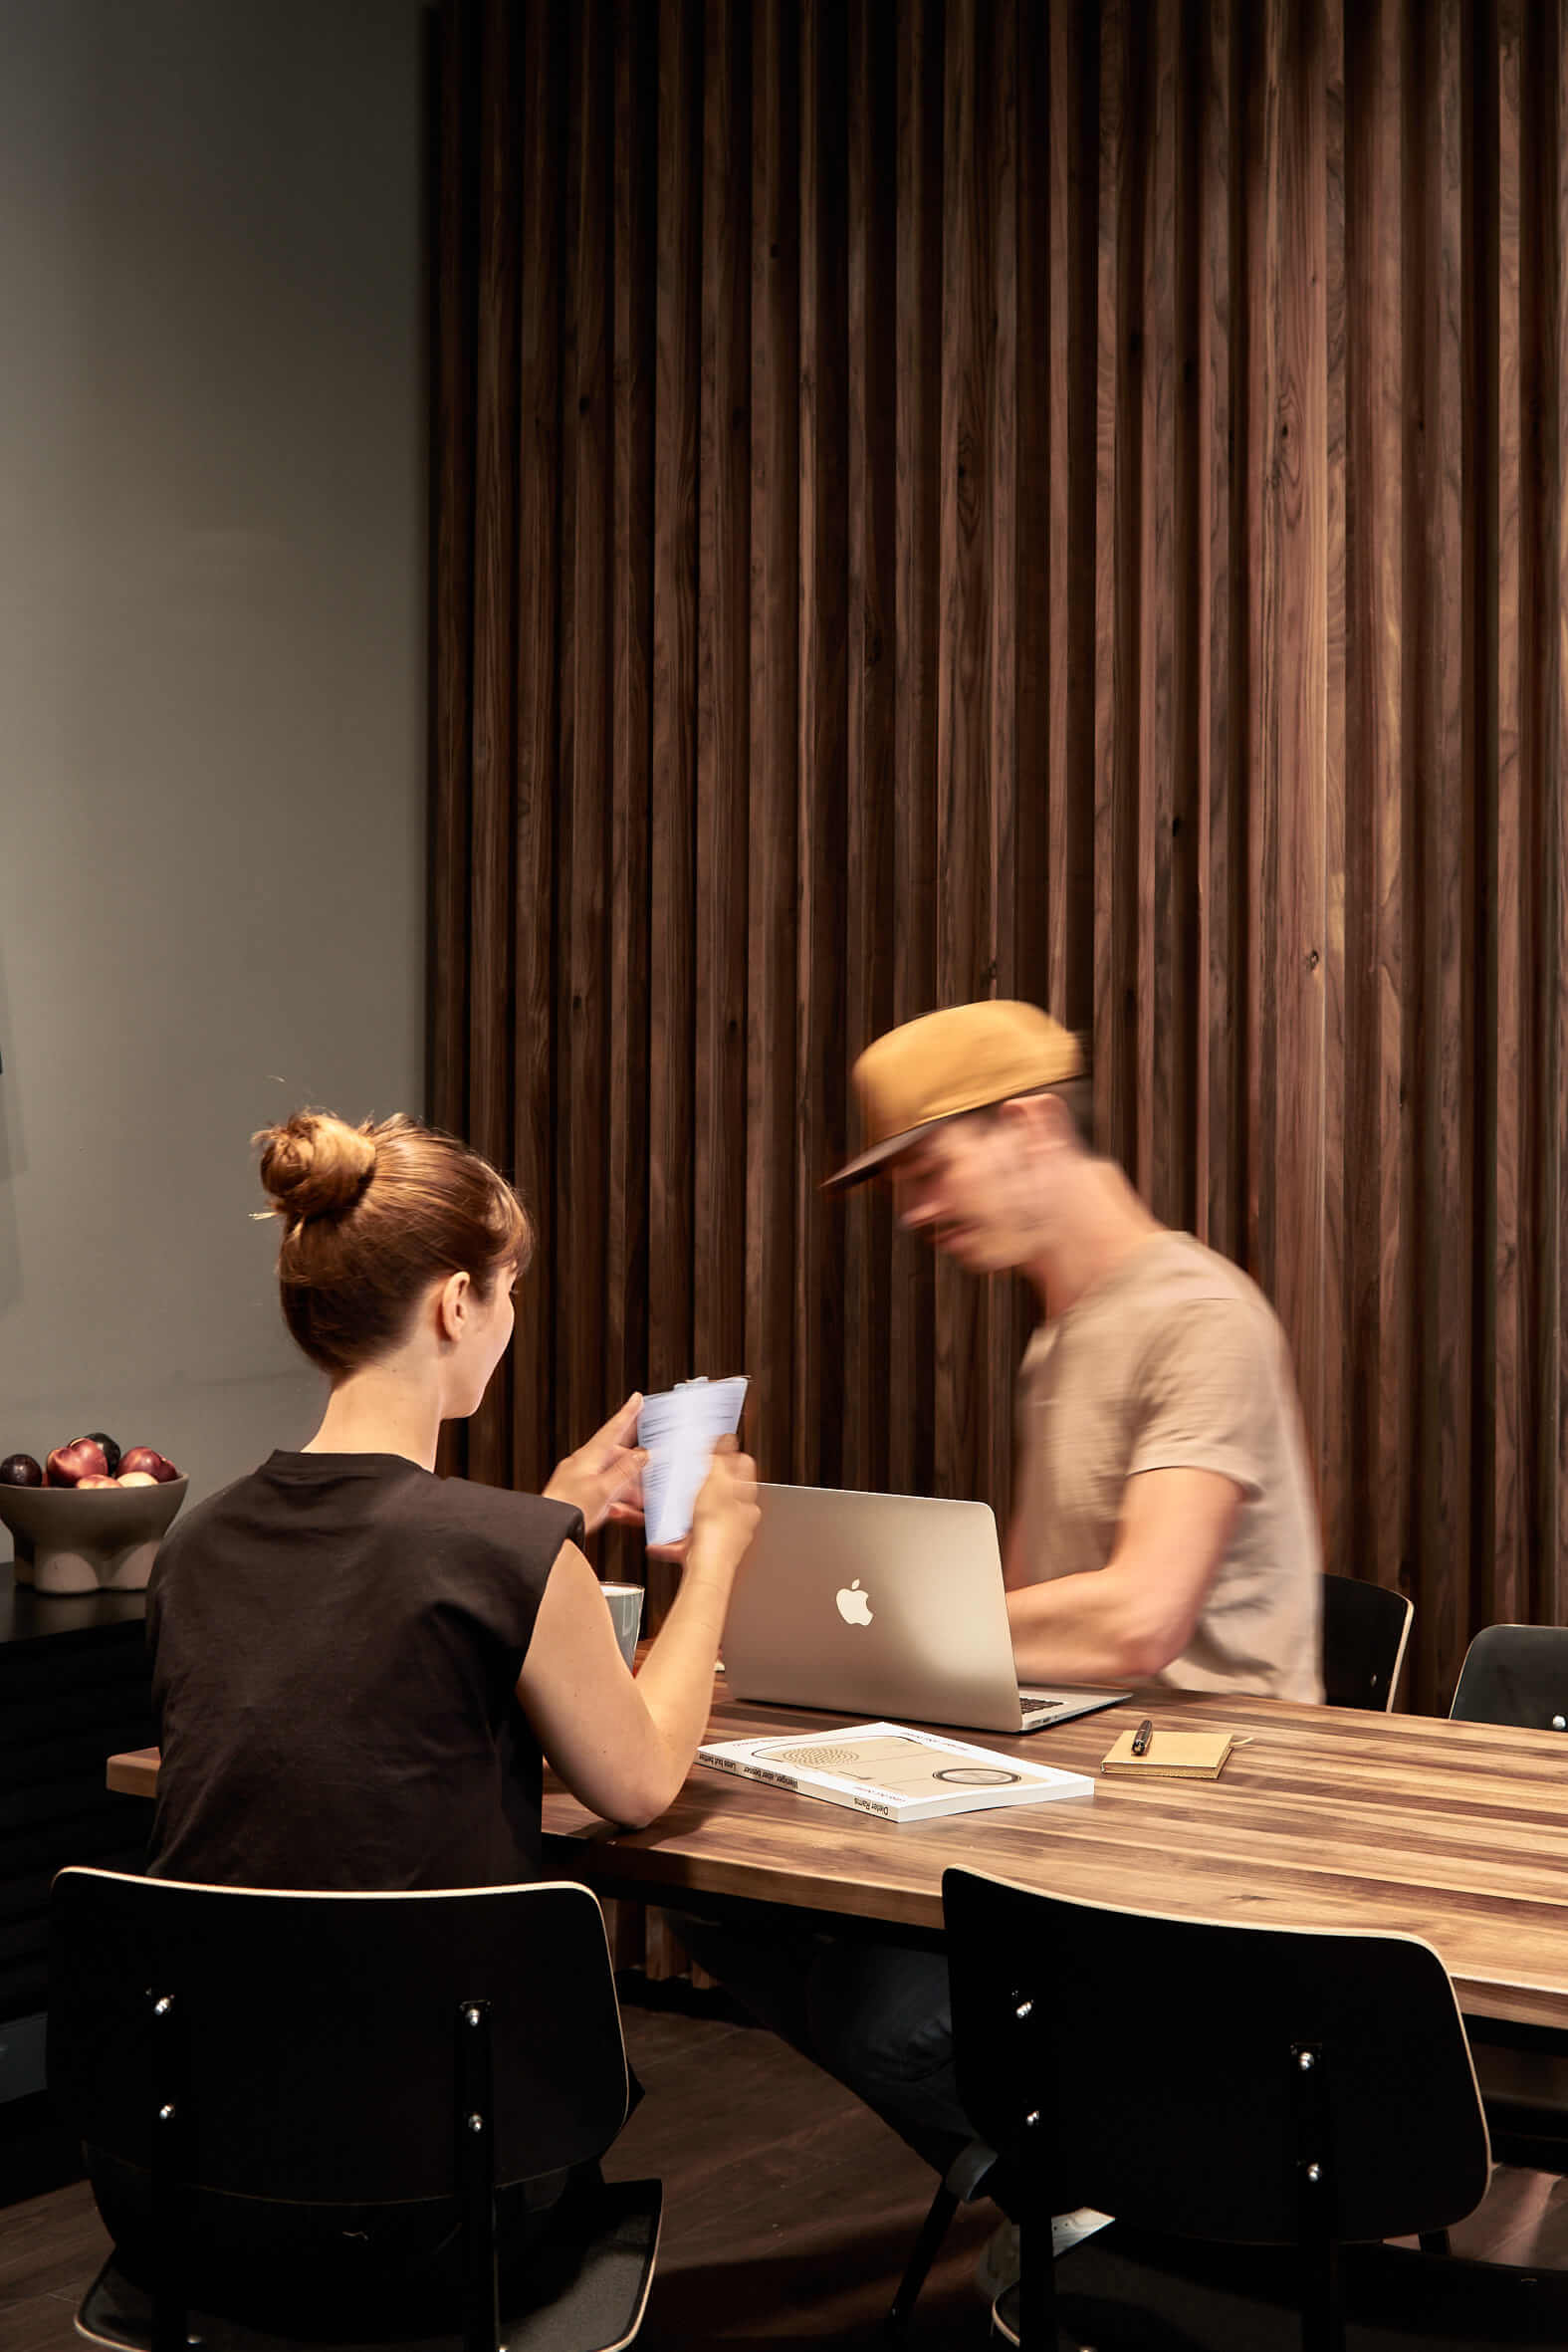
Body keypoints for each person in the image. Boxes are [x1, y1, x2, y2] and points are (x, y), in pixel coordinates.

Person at [102, 1107, 758, 2323]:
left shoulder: (192, 1549)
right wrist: (711, 1558)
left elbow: (362, 1639)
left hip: (188, 2182)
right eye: (508, 1290)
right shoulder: (502, 1552)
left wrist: (549, 1512)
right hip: (444, 2199)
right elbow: (641, 1781)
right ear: (457, 1302)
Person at [680, 998, 1321, 2218]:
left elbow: (1135, 1619)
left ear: (1027, 1123)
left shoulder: (1199, 1314)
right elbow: (1021, 1619)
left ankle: (1126, 2208)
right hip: (1072, 1790)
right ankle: (1082, 2183)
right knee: (714, 1882)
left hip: (1206, 1816)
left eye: (928, 1168)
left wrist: (868, 1627)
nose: (917, 1212)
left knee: (894, 2019)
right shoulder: (1060, 1339)